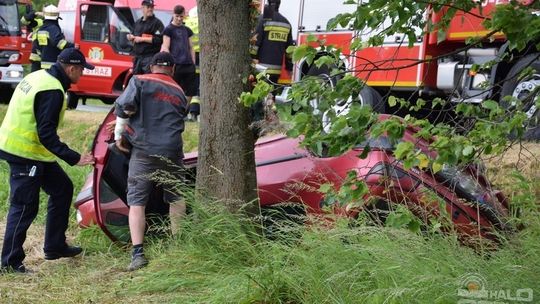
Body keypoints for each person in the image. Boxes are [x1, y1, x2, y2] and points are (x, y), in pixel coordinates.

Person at [0, 48, 96, 274]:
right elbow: (46, 134)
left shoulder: (38, 76)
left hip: (31, 150)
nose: (82, 74)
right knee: (24, 206)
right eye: (81, 69)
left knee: (62, 188)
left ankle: (54, 246)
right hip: (23, 153)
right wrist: (75, 158)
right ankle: (9, 263)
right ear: (71, 68)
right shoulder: (52, 90)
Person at [114, 52, 188, 271]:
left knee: (137, 202)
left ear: (152, 66)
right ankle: (177, 248)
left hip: (144, 151)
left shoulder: (140, 80)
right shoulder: (180, 92)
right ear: (172, 69)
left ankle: (138, 254)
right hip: (172, 152)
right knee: (176, 199)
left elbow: (124, 107)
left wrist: (120, 134)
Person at [250, 0, 294, 84]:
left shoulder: (262, 20)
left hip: (260, 69)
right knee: (271, 95)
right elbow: (290, 50)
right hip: (276, 71)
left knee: (259, 94)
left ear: (268, 3)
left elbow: (255, 44)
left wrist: (250, 59)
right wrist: (289, 68)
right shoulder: (286, 23)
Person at [160, 5, 196, 105]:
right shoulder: (168, 29)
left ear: (184, 15)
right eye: (177, 16)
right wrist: (170, 65)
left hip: (188, 65)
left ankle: (183, 110)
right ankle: (174, 109)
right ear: (173, 15)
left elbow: (191, 47)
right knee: (174, 89)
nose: (179, 19)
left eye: (181, 16)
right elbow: (166, 47)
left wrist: (193, 63)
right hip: (176, 65)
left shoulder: (187, 30)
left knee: (190, 91)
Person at [128, 0, 164, 75]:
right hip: (137, 57)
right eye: (148, 7)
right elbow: (133, 34)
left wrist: (141, 39)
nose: (150, 9)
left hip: (150, 58)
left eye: (152, 7)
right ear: (142, 8)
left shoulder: (157, 23)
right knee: (136, 80)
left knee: (148, 81)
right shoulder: (138, 22)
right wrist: (130, 37)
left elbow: (160, 39)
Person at [34, 5, 75, 71]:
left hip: (44, 64)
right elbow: (58, 42)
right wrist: (73, 46)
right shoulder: (53, 28)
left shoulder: (41, 29)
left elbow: (37, 46)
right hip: (54, 64)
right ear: (57, 17)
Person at [184, 6, 201, 121]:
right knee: (199, 84)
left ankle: (187, 111)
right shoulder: (204, 22)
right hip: (202, 55)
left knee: (190, 85)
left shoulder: (187, 22)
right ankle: (195, 112)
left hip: (189, 56)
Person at [19, 4, 44, 72]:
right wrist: (34, 13)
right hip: (36, 58)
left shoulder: (55, 23)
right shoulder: (40, 22)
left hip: (48, 58)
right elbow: (24, 20)